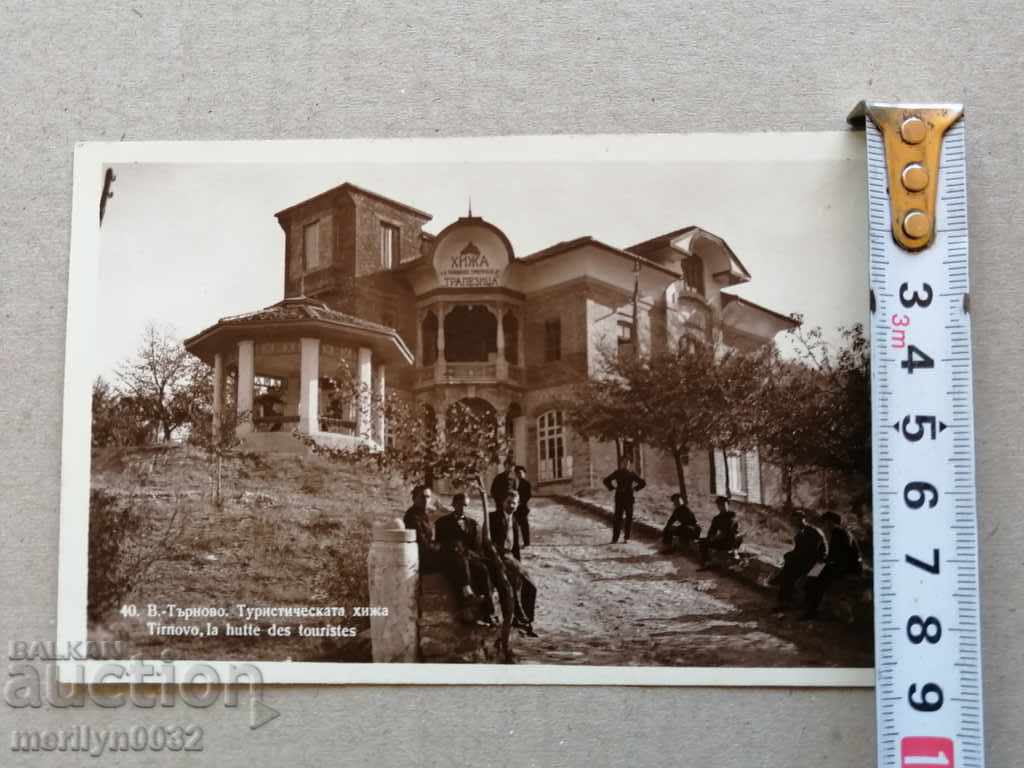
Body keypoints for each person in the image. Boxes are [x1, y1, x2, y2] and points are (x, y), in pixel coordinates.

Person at [435, 493, 496, 625]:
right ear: (453, 504)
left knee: (484, 570)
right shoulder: (442, 523)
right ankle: (466, 598)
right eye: (460, 505)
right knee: (458, 562)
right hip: (451, 559)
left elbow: (476, 547)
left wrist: (469, 554)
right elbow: (440, 544)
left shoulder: (473, 524)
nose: (463, 508)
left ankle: (488, 611)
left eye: (466, 506)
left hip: (469, 557)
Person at [489, 488, 538, 637]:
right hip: (497, 557)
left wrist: (519, 565)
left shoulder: (515, 520)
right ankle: (519, 618)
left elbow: (515, 547)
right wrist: (497, 559)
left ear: (518, 505)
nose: (511, 506)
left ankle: (528, 621)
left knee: (530, 585)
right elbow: (487, 542)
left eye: (514, 503)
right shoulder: (493, 518)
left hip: (511, 557)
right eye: (509, 502)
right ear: (503, 502)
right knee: (512, 585)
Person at [804, 511, 863, 619]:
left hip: (849, 567)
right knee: (813, 573)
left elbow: (838, 556)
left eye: (826, 522)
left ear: (832, 522)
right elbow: (831, 555)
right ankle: (808, 606)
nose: (824, 525)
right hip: (842, 565)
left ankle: (811, 611)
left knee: (817, 579)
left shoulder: (840, 534)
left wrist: (822, 564)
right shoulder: (836, 533)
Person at [776, 509, 827, 609]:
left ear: (803, 519)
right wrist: (789, 555)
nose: (794, 523)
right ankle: (784, 601)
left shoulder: (814, 532)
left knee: (793, 574)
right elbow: (799, 551)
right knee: (788, 569)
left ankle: (785, 599)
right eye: (793, 521)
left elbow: (822, 553)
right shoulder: (800, 534)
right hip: (806, 562)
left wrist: (815, 570)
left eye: (797, 520)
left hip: (818, 564)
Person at [603, 455, 646, 543]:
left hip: (629, 498)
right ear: (621, 463)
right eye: (624, 462)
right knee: (617, 518)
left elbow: (642, 483)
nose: (626, 464)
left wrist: (635, 489)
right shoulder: (617, 473)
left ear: (629, 464)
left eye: (627, 463)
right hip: (619, 498)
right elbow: (606, 480)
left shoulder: (632, 474)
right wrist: (612, 487)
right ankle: (615, 538)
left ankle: (627, 538)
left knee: (629, 518)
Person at [403, 484, 443, 572]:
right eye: (422, 497)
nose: (425, 500)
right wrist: (441, 548)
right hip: (420, 556)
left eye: (428, 497)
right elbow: (422, 543)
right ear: (414, 498)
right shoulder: (412, 516)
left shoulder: (423, 514)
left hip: (428, 552)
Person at [698, 496, 742, 567]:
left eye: (724, 505)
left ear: (727, 505)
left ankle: (734, 554)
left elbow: (729, 530)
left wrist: (718, 537)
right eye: (720, 505)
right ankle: (707, 561)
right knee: (702, 541)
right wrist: (712, 537)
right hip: (722, 541)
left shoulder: (732, 516)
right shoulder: (717, 518)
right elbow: (712, 531)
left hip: (731, 541)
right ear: (718, 506)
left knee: (735, 536)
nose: (722, 507)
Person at [513, 465, 532, 548]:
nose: (519, 474)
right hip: (514, 507)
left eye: (521, 473)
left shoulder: (527, 484)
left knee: (524, 525)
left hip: (523, 507)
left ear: (524, 473)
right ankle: (514, 543)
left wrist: (521, 502)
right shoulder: (514, 483)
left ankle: (526, 543)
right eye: (517, 473)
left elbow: (528, 495)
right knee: (514, 525)